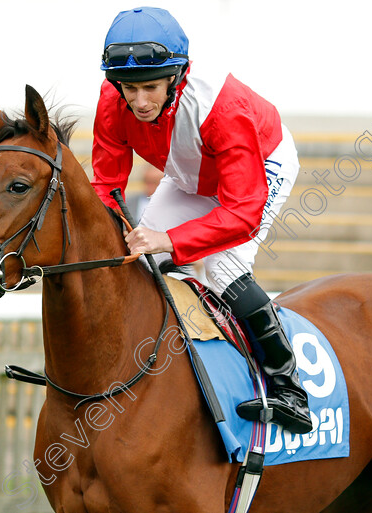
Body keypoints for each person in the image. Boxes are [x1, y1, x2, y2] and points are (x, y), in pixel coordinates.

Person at [92, 7, 311, 433]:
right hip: (190, 168)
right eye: (129, 89)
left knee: (222, 265)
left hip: (259, 166)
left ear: (177, 76)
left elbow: (241, 213)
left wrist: (169, 239)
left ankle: (289, 388)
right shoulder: (111, 96)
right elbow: (107, 183)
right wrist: (115, 228)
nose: (139, 101)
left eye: (150, 87)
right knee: (139, 258)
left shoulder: (222, 107)